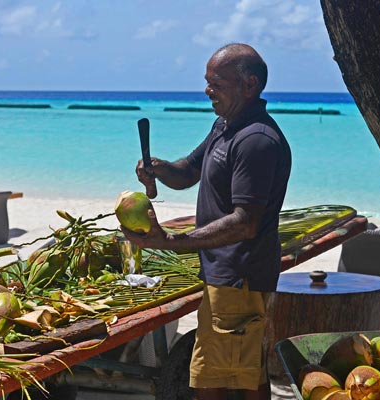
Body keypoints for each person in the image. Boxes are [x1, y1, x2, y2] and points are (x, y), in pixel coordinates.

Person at [122, 43, 291, 400]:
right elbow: (188, 171)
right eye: (207, 81)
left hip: (239, 278)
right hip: (226, 278)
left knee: (213, 383)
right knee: (243, 375)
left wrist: (168, 241)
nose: (207, 90)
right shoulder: (225, 126)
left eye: (217, 82)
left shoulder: (256, 141)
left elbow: (244, 223)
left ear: (250, 85)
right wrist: (159, 168)